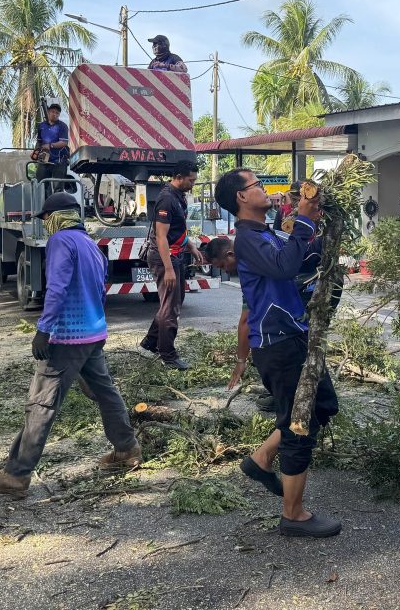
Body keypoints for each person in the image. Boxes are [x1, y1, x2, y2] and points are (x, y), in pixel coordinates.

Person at [0, 192, 141, 496]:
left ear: (55, 217)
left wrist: (44, 329)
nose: (45, 225)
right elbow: (100, 289)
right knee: (105, 393)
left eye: (46, 219)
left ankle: (16, 474)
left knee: (41, 403)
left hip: (67, 337)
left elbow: (57, 288)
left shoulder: (61, 242)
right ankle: (127, 448)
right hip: (93, 334)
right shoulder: (91, 244)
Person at [215, 168, 342, 538]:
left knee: (321, 406)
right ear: (241, 197)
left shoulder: (264, 233)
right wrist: (302, 218)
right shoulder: (247, 239)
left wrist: (317, 230)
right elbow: (284, 267)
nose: (264, 189)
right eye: (256, 185)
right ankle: (293, 513)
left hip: (293, 334)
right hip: (277, 341)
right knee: (299, 423)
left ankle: (261, 460)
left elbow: (296, 260)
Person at [140, 160, 204, 370]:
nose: (193, 184)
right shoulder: (167, 199)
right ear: (179, 177)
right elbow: (161, 237)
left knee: (176, 300)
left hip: (175, 255)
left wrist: (192, 247)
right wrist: (168, 269)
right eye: (191, 180)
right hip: (163, 257)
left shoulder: (179, 196)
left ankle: (150, 342)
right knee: (170, 307)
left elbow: (178, 231)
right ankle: (168, 354)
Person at [201, 236, 276, 414]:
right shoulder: (250, 249)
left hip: (304, 292)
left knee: (263, 346)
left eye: (222, 266)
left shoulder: (248, 265)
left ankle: (284, 396)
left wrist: (241, 361)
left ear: (230, 254)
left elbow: (246, 320)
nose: (224, 271)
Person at [33, 103, 71, 178]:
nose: (55, 114)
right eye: (53, 112)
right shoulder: (41, 126)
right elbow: (39, 141)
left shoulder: (63, 126)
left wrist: (50, 145)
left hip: (59, 160)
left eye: (57, 113)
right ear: (48, 112)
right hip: (44, 159)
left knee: (57, 186)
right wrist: (36, 151)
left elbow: (64, 142)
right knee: (41, 183)